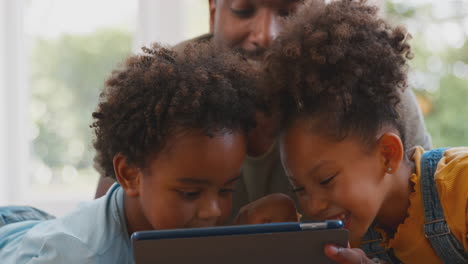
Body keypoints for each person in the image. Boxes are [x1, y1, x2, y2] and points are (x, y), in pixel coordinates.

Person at [96, 0, 432, 223]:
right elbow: (109, 226)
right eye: (243, 10)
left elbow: (422, 214)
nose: (265, 35)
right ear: (214, 10)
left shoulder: (367, 95)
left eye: (289, 11)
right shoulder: (166, 92)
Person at [0, 42, 264, 263]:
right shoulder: (83, 256)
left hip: (34, 227)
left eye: (227, 190)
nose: (213, 211)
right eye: (190, 193)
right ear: (129, 174)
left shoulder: (166, 219)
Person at [263, 0, 468, 263]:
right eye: (299, 189)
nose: (312, 206)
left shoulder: (459, 190)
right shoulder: (339, 232)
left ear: (387, 155)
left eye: (326, 180)